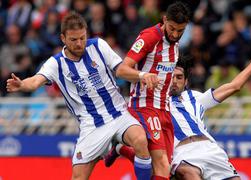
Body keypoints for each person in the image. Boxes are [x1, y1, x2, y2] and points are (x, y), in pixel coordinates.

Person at [6, 12, 152, 180]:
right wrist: (22, 84)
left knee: (141, 141)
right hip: (92, 126)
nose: (79, 43)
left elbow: (120, 70)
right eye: (74, 40)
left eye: (82, 38)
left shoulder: (99, 45)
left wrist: (142, 75)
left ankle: (119, 149)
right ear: (63, 38)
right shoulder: (56, 63)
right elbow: (35, 81)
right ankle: (117, 147)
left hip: (119, 114)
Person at [104, 38, 251, 179]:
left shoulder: (195, 98)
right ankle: (122, 148)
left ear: (186, 82)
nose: (175, 81)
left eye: (179, 77)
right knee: (188, 174)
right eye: (171, 77)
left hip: (211, 150)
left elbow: (234, 86)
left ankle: (121, 149)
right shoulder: (150, 101)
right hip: (180, 153)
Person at [115, 2, 191, 179]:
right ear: (164, 19)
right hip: (145, 104)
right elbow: (121, 70)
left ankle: (122, 149)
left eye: (180, 30)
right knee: (162, 163)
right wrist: (143, 75)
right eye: (171, 28)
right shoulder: (150, 36)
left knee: (164, 168)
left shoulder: (175, 44)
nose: (175, 34)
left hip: (165, 109)